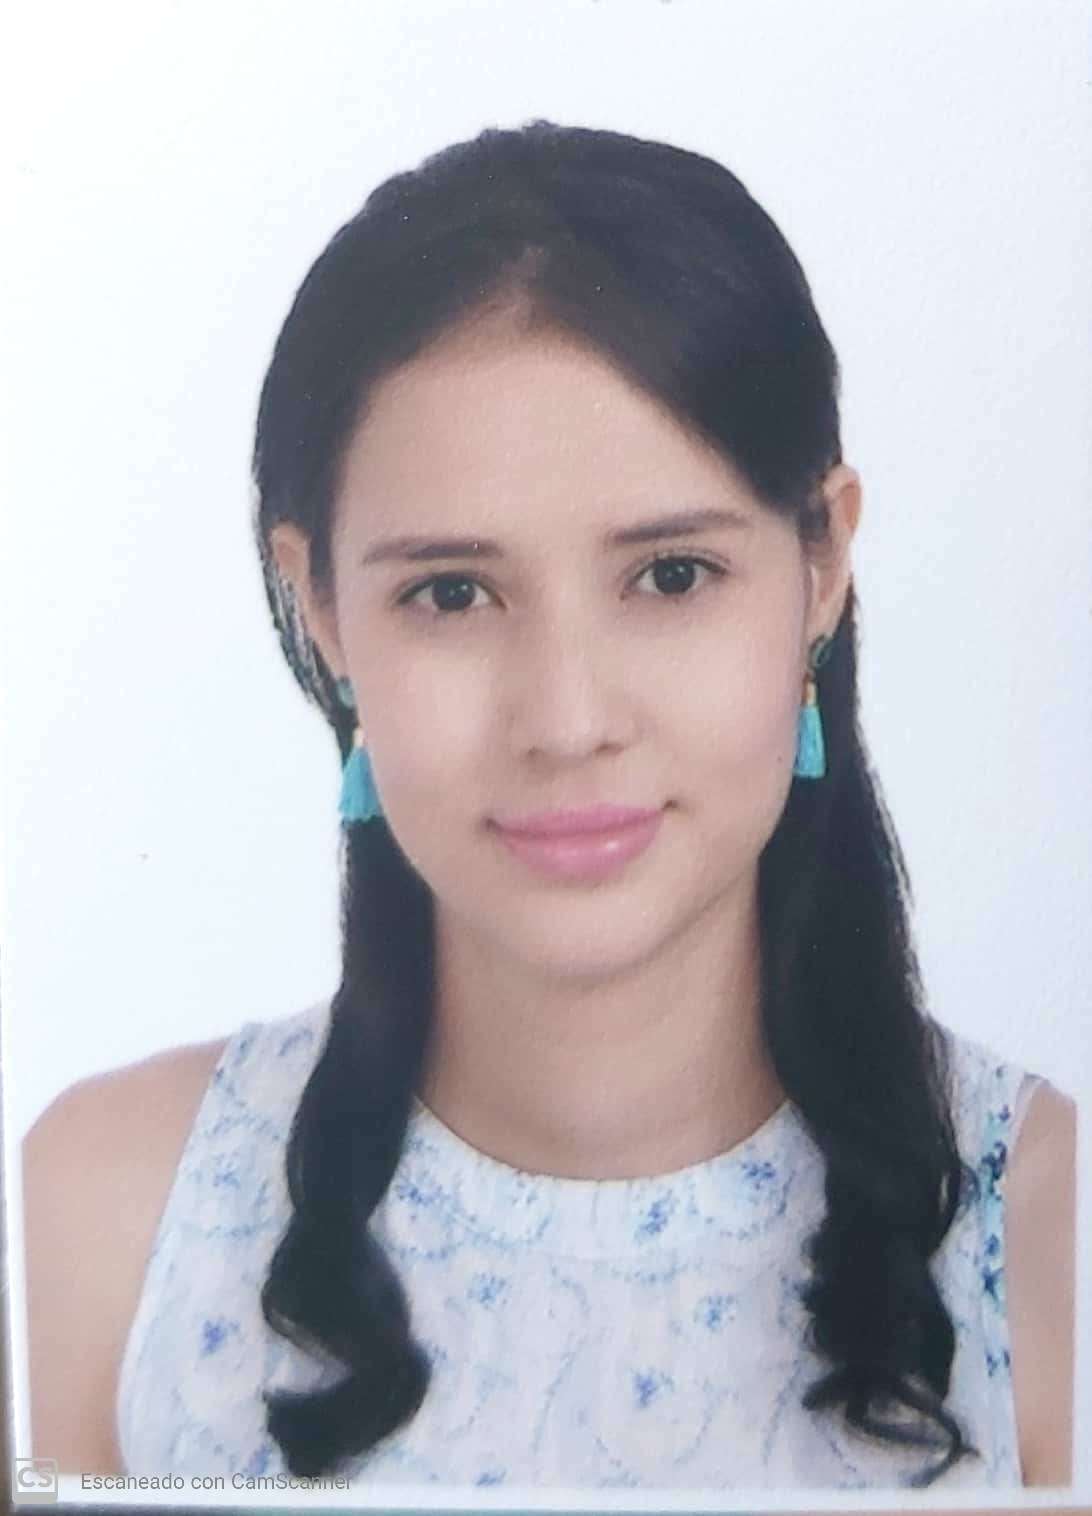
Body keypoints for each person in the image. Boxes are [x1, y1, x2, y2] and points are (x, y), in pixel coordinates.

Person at [23, 120, 1075, 1496]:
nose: (568, 720)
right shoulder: (101, 1223)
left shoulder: (1047, 1245)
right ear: (322, 607)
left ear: (821, 566)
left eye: (672, 576)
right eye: (452, 593)